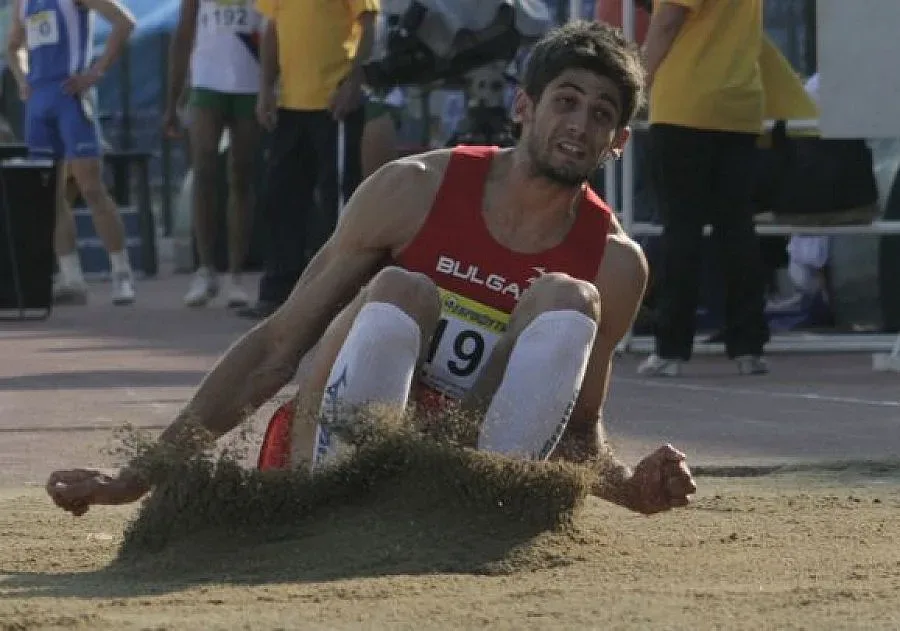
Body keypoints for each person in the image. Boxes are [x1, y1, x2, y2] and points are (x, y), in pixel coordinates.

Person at [46, 21, 697, 518]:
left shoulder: (614, 264)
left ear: (618, 144)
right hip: (332, 457)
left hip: (457, 472)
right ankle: (342, 502)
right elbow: (277, 347)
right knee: (401, 289)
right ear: (525, 107)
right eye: (567, 100)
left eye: (601, 115)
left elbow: (577, 432)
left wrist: (632, 486)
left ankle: (484, 511)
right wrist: (136, 477)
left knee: (567, 299)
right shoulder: (413, 189)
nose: (579, 124)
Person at [637, 0, 770, 377]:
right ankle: (749, 347)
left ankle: (671, 348)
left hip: (685, 104)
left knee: (682, 228)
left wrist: (638, 84)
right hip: (740, 104)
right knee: (738, 228)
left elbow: (666, 22)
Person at [237, 0, 378, 320]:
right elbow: (272, 30)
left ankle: (337, 294)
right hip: (289, 105)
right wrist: (265, 88)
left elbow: (369, 26)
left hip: (334, 103)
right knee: (279, 198)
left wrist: (355, 82)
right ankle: (278, 292)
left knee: (337, 201)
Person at [6, 0, 137, 305]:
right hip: (40, 103)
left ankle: (121, 273)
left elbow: (124, 22)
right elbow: (13, 45)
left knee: (91, 187)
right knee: (48, 194)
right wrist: (23, 80)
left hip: (72, 97)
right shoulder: (22, 3)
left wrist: (96, 71)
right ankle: (71, 277)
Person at [164, 0, 263, 309]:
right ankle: (205, 269)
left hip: (250, 79)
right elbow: (184, 33)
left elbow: (276, 27)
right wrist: (172, 100)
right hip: (207, 81)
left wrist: (274, 83)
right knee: (204, 168)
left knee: (242, 175)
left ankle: (236, 275)